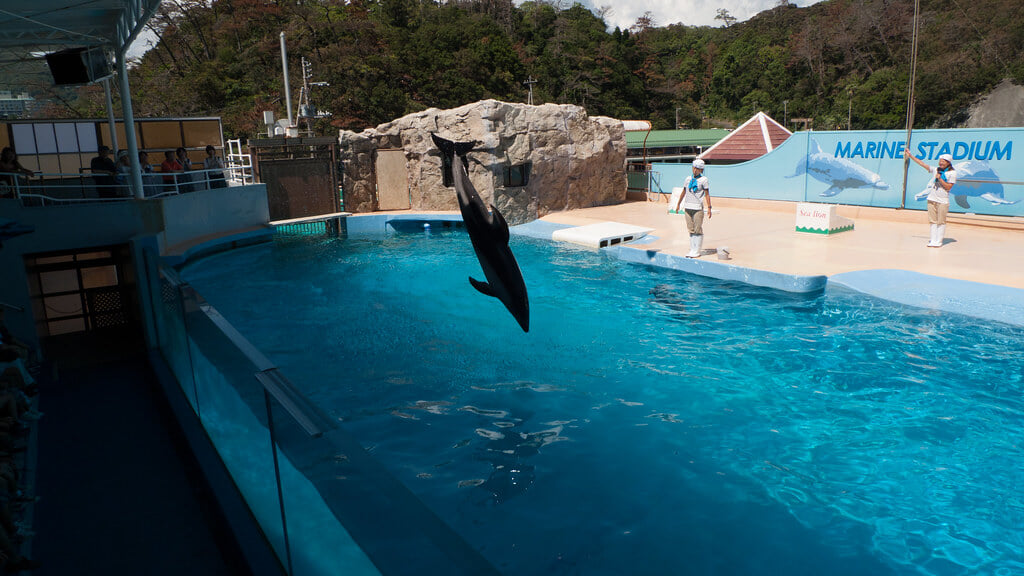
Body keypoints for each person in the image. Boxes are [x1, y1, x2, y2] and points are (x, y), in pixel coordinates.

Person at [905, 150, 956, 248]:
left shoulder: (952, 173)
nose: (940, 163)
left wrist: (940, 179)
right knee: (932, 220)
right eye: (940, 161)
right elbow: (922, 164)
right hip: (932, 198)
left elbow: (948, 187)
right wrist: (910, 156)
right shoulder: (936, 170)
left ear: (948, 162)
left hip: (943, 200)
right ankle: (933, 239)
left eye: (943, 161)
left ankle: (939, 240)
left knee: (941, 221)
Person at [673, 158, 712, 258]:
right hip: (688, 207)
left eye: (697, 168)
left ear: (701, 170)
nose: (695, 170)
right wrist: (678, 204)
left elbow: (707, 194)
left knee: (697, 228)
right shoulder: (688, 179)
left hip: (698, 208)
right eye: (694, 168)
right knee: (690, 229)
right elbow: (684, 192)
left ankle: (697, 250)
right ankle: (692, 248)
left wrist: (709, 208)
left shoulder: (704, 180)